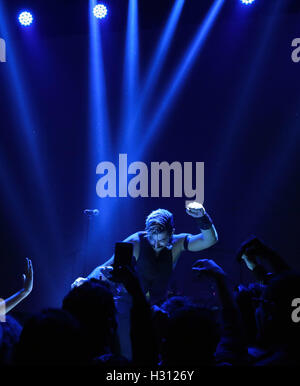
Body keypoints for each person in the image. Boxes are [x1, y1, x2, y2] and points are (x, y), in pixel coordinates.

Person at [72, 202, 218, 305]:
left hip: (159, 305)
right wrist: (86, 280)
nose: (156, 245)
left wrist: (202, 217)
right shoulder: (136, 242)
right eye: (152, 240)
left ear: (171, 233)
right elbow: (106, 268)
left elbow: (209, 240)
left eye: (161, 241)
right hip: (129, 306)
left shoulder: (178, 243)